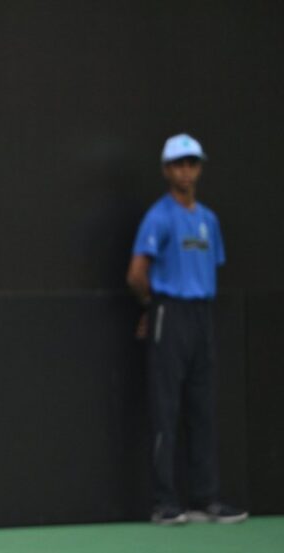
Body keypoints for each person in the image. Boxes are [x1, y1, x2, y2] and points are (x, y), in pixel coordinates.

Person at [126, 133, 248, 526]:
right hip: (170, 312)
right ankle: (165, 502)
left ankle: (205, 498)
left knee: (202, 407)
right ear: (167, 170)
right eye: (178, 164)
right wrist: (154, 306)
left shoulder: (209, 220)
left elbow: (209, 268)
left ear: (199, 168)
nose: (186, 171)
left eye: (192, 163)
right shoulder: (159, 217)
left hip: (201, 316)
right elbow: (136, 274)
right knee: (166, 408)